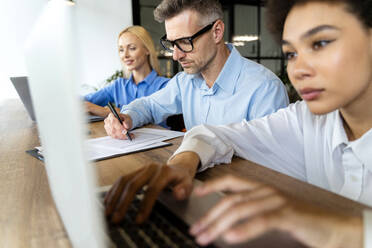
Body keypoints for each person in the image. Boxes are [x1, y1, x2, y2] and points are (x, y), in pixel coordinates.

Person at [104, 0, 372, 247]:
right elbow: (220, 135)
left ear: (217, 32)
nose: (299, 69)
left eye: (320, 43)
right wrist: (183, 162)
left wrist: (332, 228)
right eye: (291, 54)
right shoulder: (307, 120)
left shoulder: (265, 88)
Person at [103, 0, 289, 139]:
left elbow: (273, 166)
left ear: (216, 32)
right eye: (172, 43)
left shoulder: (265, 89)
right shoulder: (185, 82)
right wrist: (127, 116)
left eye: (185, 41)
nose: (176, 56)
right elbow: (149, 105)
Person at [84, 26, 169, 117]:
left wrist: (104, 111)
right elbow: (83, 101)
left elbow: (147, 116)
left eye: (132, 48)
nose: (125, 55)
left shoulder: (164, 85)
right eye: (121, 50)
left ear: (147, 50)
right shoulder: (119, 86)